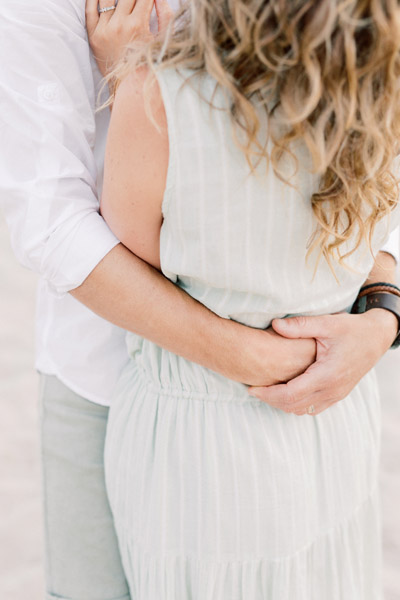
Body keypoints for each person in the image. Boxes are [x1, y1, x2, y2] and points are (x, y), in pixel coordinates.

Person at [0, 1, 398, 599]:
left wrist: (385, 311)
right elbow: (47, 219)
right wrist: (247, 355)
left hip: (320, 388)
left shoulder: (151, 93)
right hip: (107, 377)